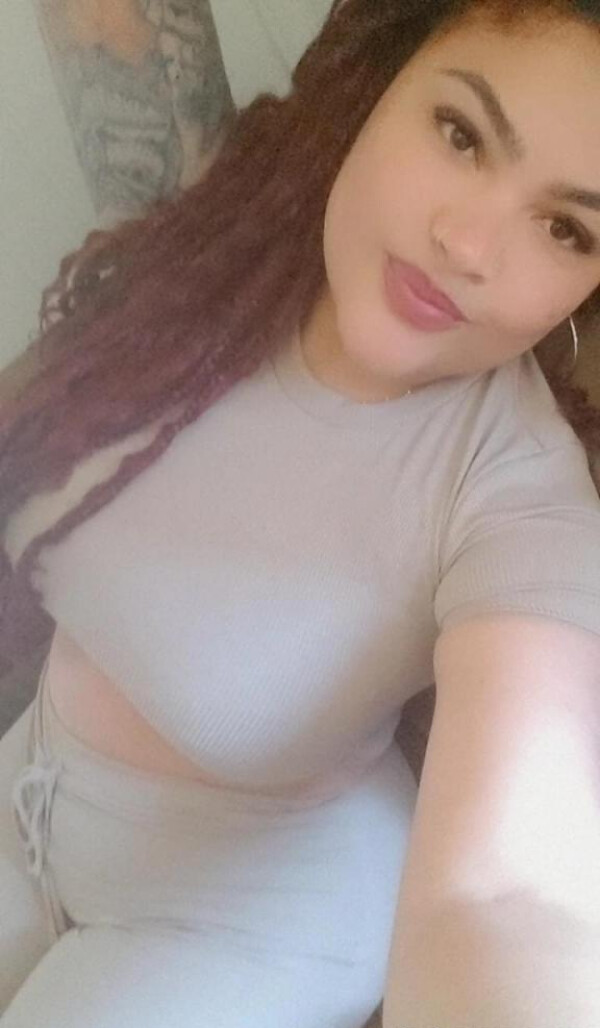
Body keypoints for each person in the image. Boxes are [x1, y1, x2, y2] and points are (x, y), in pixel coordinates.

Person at [2, 0, 600, 1025]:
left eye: (567, 228)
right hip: (34, 787)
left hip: (260, 920)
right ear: (376, 84)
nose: (467, 244)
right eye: (460, 134)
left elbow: (512, 901)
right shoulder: (214, 262)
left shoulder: (523, 502)